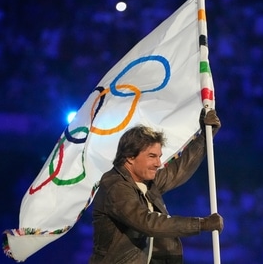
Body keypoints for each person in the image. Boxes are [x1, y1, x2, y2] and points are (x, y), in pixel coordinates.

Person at [89, 109, 224, 264]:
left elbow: (178, 171)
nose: (158, 163)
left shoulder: (145, 180)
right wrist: (201, 224)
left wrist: (205, 138)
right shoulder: (115, 186)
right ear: (130, 157)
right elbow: (148, 223)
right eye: (152, 156)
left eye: (159, 156)